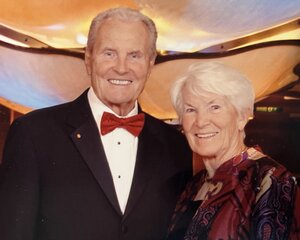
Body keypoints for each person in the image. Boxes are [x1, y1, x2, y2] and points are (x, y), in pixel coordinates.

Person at [0, 7, 192, 240]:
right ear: (88, 58)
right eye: (109, 53)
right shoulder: (33, 134)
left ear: (150, 64)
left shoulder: (175, 146)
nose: (121, 67)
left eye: (134, 55)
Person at [166, 62, 300, 239]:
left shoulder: (273, 182)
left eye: (214, 107)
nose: (200, 122)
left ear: (242, 117)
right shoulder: (194, 185)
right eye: (190, 110)